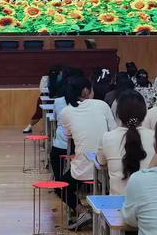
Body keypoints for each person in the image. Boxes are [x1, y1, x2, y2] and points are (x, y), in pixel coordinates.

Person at [59, 74, 116, 230]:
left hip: (82, 168)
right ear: (86, 90)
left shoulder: (66, 111)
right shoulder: (102, 105)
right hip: (107, 167)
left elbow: (67, 136)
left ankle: (82, 211)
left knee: (61, 185)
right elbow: (114, 130)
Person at [97, 90, 155, 194]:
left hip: (116, 206)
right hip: (148, 204)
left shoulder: (107, 137)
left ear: (118, 113)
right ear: (144, 112)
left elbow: (101, 162)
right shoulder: (155, 137)